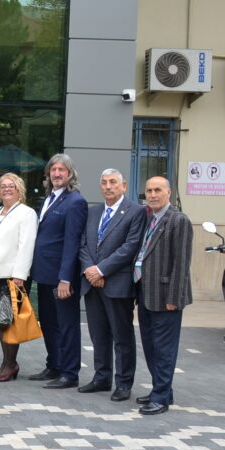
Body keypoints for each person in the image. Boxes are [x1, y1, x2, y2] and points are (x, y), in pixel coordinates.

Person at [77, 169, 146, 402]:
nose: (108, 186)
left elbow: (130, 246)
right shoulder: (93, 211)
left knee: (122, 336)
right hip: (92, 284)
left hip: (117, 284)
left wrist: (101, 270)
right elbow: (83, 244)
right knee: (98, 334)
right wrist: (90, 270)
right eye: (104, 182)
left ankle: (124, 383)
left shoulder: (136, 211)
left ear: (123, 186)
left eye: (113, 182)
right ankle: (102, 378)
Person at [134, 177, 193, 415]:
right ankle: (162, 390)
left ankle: (160, 399)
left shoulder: (179, 220)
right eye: (149, 190)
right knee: (150, 347)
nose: (152, 194)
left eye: (157, 190)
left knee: (164, 349)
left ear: (169, 192)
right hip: (146, 293)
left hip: (166, 297)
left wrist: (174, 298)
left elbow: (182, 263)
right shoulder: (149, 218)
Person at [29, 153, 88, 389]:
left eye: (61, 170)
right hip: (44, 274)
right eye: (53, 170)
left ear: (70, 174)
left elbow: (72, 243)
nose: (56, 174)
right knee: (49, 323)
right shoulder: (49, 199)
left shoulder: (75, 202)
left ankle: (69, 373)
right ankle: (54, 364)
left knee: (66, 325)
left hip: (62, 278)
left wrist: (65, 278)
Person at [0, 173, 37, 382]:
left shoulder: (27, 214)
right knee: (1, 321)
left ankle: (10, 364)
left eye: (11, 186)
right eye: (3, 186)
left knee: (11, 324)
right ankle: (6, 363)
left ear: (19, 190)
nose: (7, 189)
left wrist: (20, 275)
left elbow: (26, 246)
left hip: (14, 277)